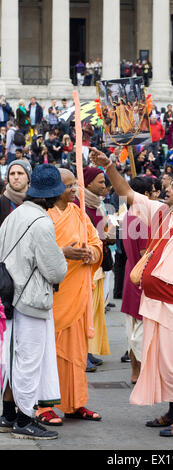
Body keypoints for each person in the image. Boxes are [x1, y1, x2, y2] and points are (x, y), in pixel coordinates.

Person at [89, 147, 173, 438]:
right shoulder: (162, 214)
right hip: (154, 302)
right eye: (167, 186)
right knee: (160, 360)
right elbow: (127, 193)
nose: (166, 189)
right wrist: (109, 165)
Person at [0, 164, 67, 440]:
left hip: (9, 296)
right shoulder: (41, 222)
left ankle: (8, 415)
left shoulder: (12, 218)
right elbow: (55, 270)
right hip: (30, 299)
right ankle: (25, 420)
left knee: (13, 357)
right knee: (29, 361)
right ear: (48, 197)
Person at [36, 169, 103, 425]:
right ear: (54, 189)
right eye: (68, 186)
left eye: (75, 185)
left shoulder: (78, 213)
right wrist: (65, 254)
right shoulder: (43, 216)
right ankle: (45, 406)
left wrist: (91, 254)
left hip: (78, 293)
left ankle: (76, 403)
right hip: (54, 295)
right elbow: (39, 252)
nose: (74, 190)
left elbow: (96, 243)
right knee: (51, 353)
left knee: (76, 354)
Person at [74, 167, 111, 372]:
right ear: (87, 183)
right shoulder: (78, 206)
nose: (104, 186)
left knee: (95, 313)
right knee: (84, 313)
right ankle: (81, 354)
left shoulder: (97, 205)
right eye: (100, 182)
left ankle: (88, 351)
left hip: (98, 265)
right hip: (86, 267)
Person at [121, 177, 150, 384]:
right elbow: (145, 253)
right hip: (141, 277)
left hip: (129, 274)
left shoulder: (128, 216)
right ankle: (142, 373)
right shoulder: (143, 219)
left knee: (132, 328)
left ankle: (135, 372)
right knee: (141, 330)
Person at [0, 160, 32, 225]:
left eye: (20, 173)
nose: (16, 177)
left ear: (28, 178)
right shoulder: (1, 202)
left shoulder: (38, 201)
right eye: (12, 174)